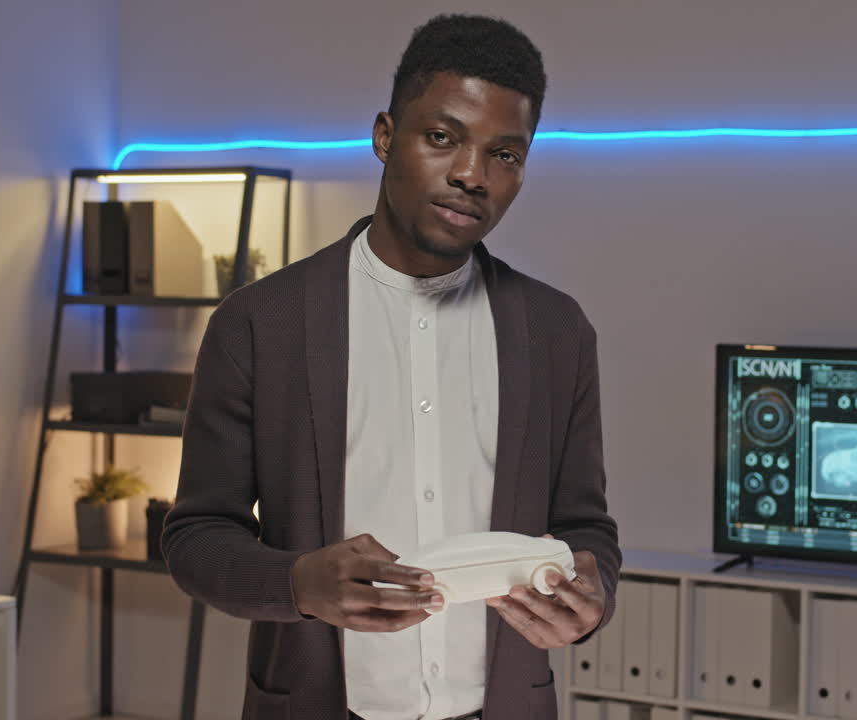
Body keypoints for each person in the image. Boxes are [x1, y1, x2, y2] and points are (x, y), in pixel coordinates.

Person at [162, 13, 621, 720]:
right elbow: (196, 538)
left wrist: (592, 600)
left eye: (505, 154)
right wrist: (297, 583)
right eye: (442, 137)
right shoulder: (257, 325)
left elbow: (587, 530)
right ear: (384, 136)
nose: (472, 174)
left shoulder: (557, 332)